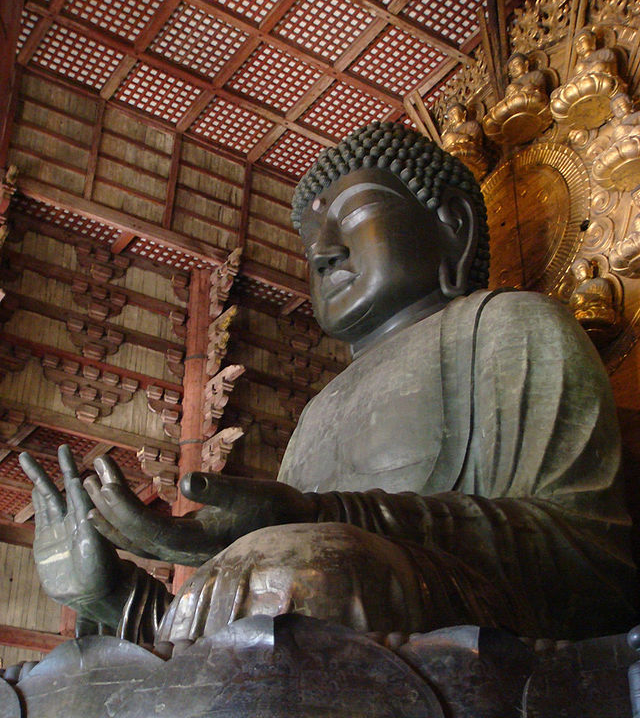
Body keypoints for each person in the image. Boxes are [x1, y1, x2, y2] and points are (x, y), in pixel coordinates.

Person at [21, 122, 637, 650]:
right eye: (309, 239)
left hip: (479, 637)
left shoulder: (510, 325)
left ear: (452, 226)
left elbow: (594, 562)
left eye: (355, 215)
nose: (321, 253)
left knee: (301, 566)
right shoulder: (319, 411)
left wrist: (328, 516)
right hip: (326, 627)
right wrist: (117, 598)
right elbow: (261, 621)